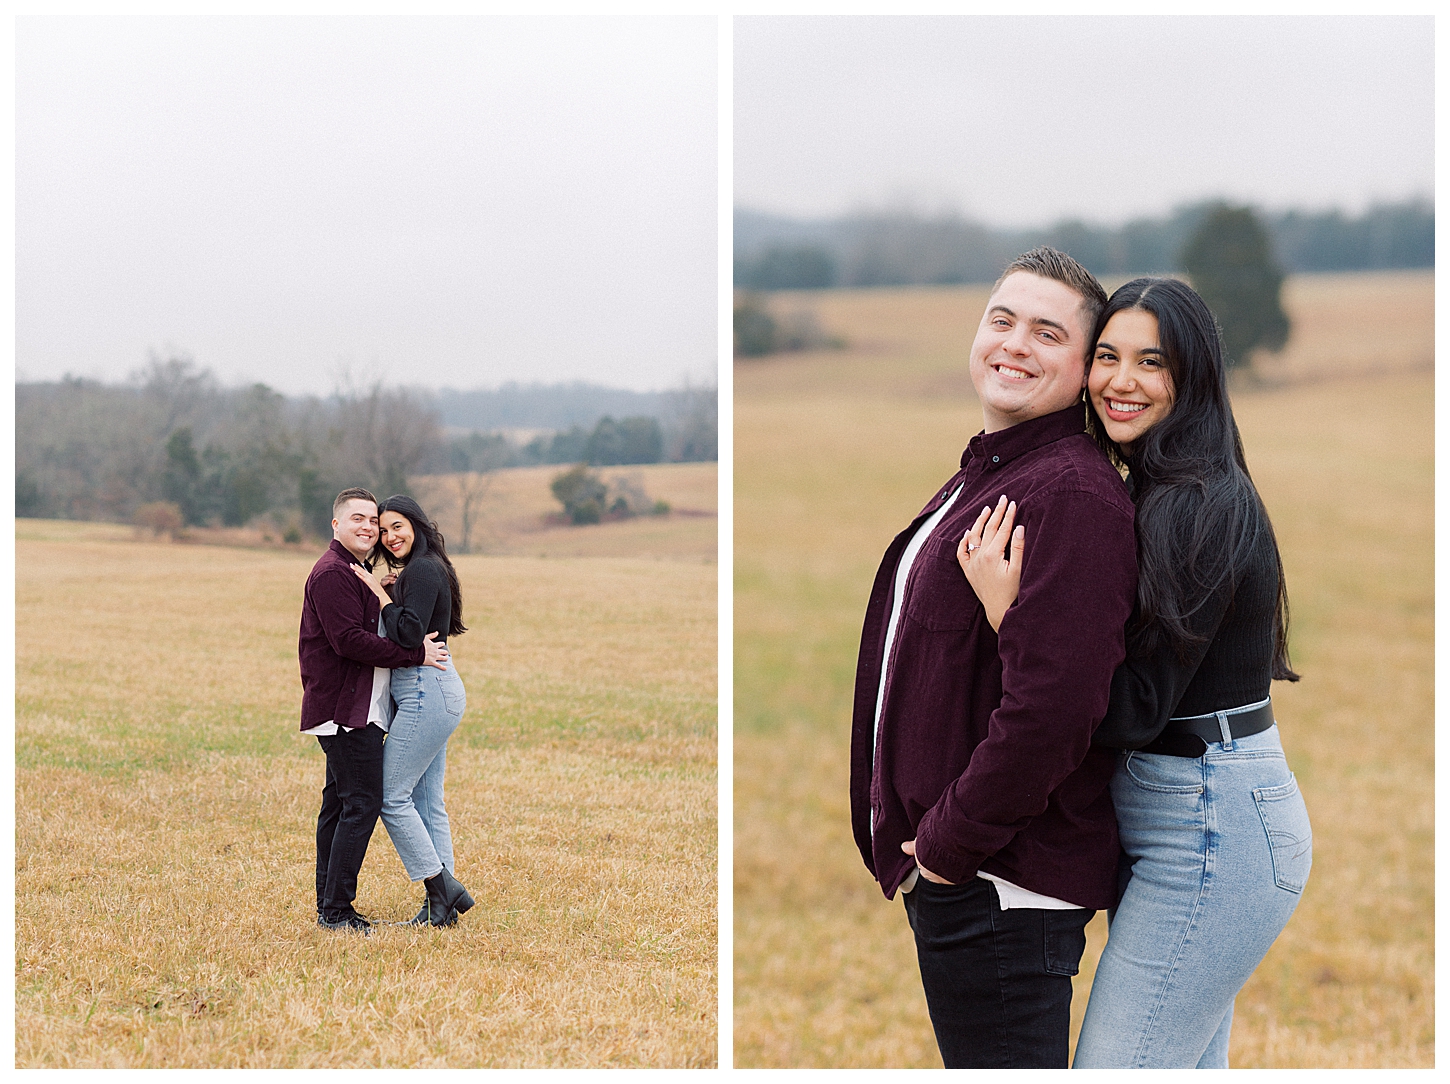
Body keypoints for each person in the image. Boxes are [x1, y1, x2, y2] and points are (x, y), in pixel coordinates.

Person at [958, 276, 1313, 1068]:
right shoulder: (1154, 485)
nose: (1122, 381)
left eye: (1152, 363)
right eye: (1108, 356)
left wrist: (1012, 615)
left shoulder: (1199, 505)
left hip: (1211, 824)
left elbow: (1127, 710)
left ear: (1193, 377)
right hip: (1185, 812)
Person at [848, 247, 1139, 1069]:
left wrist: (947, 847)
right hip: (973, 878)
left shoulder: (1071, 495)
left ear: (1087, 371)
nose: (1014, 343)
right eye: (1001, 320)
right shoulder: (994, 472)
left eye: (1048, 333)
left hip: (1002, 884)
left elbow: (1054, 710)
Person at [299, 487, 450, 934]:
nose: (369, 529)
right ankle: (338, 911)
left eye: (375, 523)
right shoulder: (332, 574)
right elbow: (349, 642)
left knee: (340, 804)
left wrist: (387, 592)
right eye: (359, 520)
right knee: (362, 804)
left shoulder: (354, 571)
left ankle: (329, 903)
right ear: (336, 524)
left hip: (358, 707)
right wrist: (414, 656)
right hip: (348, 710)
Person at [351, 494, 474, 927]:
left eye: (397, 526)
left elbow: (406, 635)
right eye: (383, 530)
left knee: (390, 795)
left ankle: (442, 887)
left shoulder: (422, 569)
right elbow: (414, 622)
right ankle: (440, 908)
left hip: (426, 692)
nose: (389, 536)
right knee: (426, 800)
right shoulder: (422, 570)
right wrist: (393, 589)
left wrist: (378, 594)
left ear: (417, 525)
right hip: (433, 692)